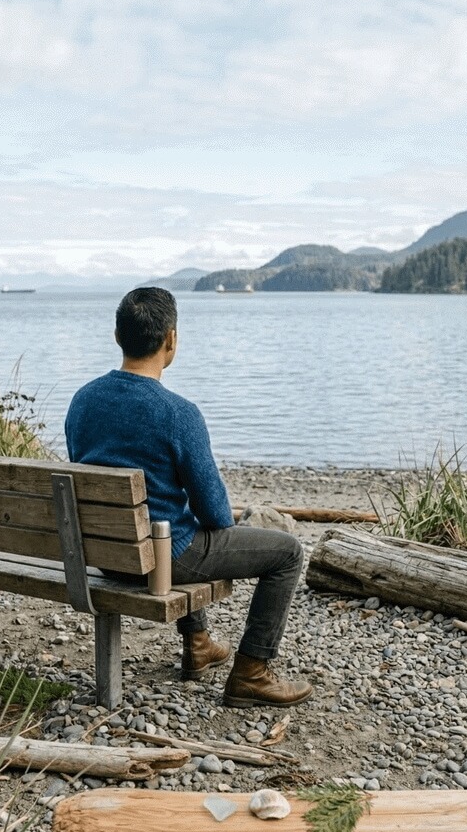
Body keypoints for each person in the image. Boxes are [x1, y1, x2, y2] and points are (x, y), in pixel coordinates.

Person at [65, 286, 312, 708]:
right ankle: (252, 672)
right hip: (159, 562)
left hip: (107, 555)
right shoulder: (178, 413)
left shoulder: (83, 401)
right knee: (287, 552)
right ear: (171, 340)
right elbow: (217, 515)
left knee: (171, 523)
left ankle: (198, 643)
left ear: (117, 336)